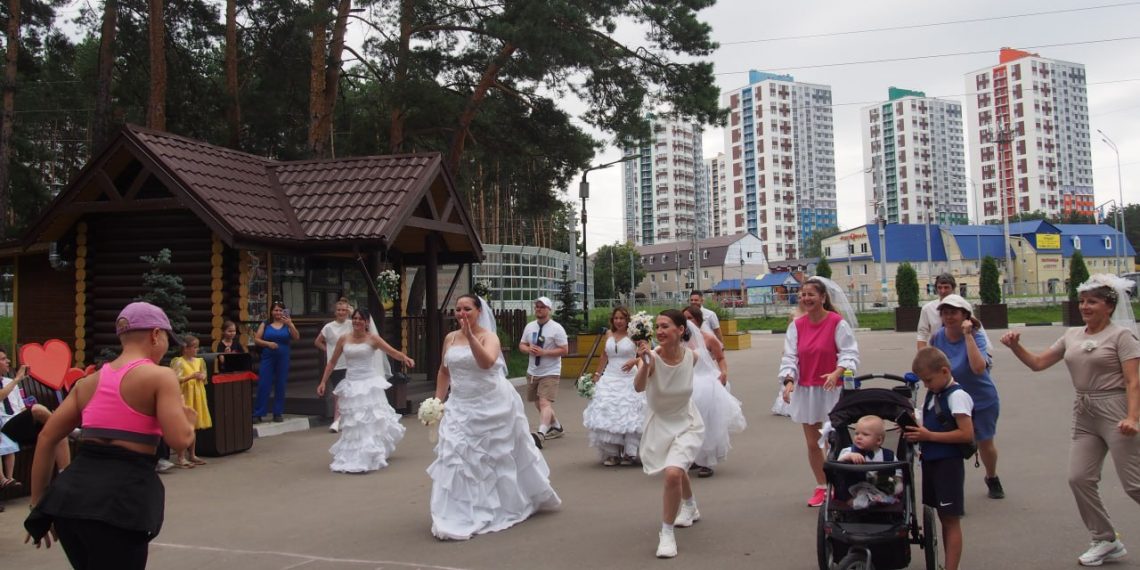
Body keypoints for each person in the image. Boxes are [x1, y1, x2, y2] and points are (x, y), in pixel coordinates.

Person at [24, 301, 197, 569]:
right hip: (120, 502)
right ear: (155, 335)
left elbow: (47, 436)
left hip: (70, 501)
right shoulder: (160, 376)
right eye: (165, 338)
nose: (165, 346)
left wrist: (38, 501)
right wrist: (189, 423)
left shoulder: (88, 383)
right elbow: (179, 440)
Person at [1000, 274, 1140, 567]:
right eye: (1082, 301)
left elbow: (1133, 380)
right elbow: (1039, 363)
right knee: (1079, 478)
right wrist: (1016, 347)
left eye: (1093, 301)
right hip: (1084, 412)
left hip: (1115, 411)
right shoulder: (1072, 335)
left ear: (1110, 306)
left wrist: (1132, 417)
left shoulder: (1121, 336)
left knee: (1134, 485)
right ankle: (1105, 539)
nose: (1085, 306)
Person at [428, 294, 560, 540]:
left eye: (467, 308)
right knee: (456, 455)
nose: (462, 313)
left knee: (491, 457)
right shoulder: (449, 338)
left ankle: (501, 503)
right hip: (459, 405)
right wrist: (437, 401)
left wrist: (470, 337)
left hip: (489, 403)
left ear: (478, 311)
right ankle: (456, 509)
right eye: (458, 309)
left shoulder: (489, 337)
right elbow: (444, 371)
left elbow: (487, 362)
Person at [778, 276, 860, 507]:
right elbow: (790, 356)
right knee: (813, 444)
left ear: (823, 297)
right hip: (807, 390)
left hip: (832, 390)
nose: (806, 298)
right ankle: (822, 486)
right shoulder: (797, 326)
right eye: (803, 295)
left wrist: (837, 372)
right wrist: (789, 381)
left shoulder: (836, 322)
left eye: (811, 294)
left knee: (836, 441)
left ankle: (843, 484)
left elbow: (849, 352)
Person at [633, 309, 705, 558]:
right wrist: (645, 364)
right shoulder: (651, 357)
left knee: (673, 472)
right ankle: (691, 506)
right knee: (677, 468)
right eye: (658, 327)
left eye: (666, 326)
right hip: (660, 423)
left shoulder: (692, 357)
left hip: (687, 422)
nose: (660, 331)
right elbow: (639, 387)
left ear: (681, 330)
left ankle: (666, 533)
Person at [904, 347, 975, 570]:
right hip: (932, 461)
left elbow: (966, 433)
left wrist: (928, 435)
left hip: (948, 464)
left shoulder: (957, 396)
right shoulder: (936, 393)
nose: (927, 385)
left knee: (951, 519)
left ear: (945, 371)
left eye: (929, 380)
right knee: (943, 517)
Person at [317, 308, 412, 473]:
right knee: (354, 421)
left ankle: (370, 453)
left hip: (369, 383)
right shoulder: (344, 339)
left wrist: (405, 358)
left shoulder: (373, 339)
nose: (357, 322)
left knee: (369, 420)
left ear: (367, 322)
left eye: (361, 319)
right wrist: (323, 382)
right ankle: (355, 453)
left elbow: (392, 352)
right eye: (355, 319)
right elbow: (332, 362)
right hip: (352, 383)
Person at [929, 294, 1004, 499]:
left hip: (981, 398)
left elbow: (979, 368)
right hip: (951, 399)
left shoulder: (977, 336)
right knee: (953, 445)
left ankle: (992, 476)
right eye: (945, 313)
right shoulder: (937, 337)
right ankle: (951, 488)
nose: (948, 317)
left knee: (985, 442)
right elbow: (932, 365)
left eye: (953, 312)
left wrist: (968, 335)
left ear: (965, 315)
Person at [681, 305, 745, 478]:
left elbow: (721, 358)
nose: (687, 321)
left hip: (706, 383)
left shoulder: (708, 339)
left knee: (707, 422)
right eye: (684, 318)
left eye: (690, 318)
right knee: (688, 423)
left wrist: (724, 372)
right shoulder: (680, 340)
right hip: (686, 383)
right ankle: (693, 456)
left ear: (698, 320)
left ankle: (707, 461)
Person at [582, 307, 645, 466]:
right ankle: (612, 453)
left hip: (629, 379)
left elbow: (647, 353)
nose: (618, 321)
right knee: (609, 412)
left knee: (628, 414)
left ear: (627, 320)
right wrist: (597, 375)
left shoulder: (635, 335)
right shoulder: (609, 334)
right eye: (616, 318)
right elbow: (604, 355)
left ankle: (629, 453)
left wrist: (635, 361)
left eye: (622, 318)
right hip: (609, 377)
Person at [0, 348, 71, 481]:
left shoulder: (9, 382)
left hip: (18, 425)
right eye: (3, 359)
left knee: (57, 431)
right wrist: (17, 379)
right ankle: (61, 423)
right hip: (5, 427)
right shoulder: (13, 382)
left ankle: (65, 477)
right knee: (37, 409)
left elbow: (20, 408)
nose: (8, 361)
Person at [519, 296, 569, 445]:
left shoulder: (556, 328)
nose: (538, 309)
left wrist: (545, 353)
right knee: (537, 402)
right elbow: (521, 345)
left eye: (542, 307)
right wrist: (528, 349)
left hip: (550, 371)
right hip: (533, 371)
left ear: (549, 309)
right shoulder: (530, 326)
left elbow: (564, 350)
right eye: (537, 307)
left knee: (544, 402)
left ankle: (541, 433)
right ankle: (557, 427)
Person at [836, 415, 904, 507]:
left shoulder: (889, 455)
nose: (859, 437)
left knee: (898, 486)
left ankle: (879, 501)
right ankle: (858, 503)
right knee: (847, 492)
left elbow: (898, 473)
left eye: (865, 434)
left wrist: (896, 482)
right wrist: (849, 457)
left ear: (879, 440)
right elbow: (837, 465)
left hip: (880, 488)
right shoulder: (848, 451)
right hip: (854, 489)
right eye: (856, 433)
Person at [917, 273, 992, 351]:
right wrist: (922, 356)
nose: (942, 291)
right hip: (938, 351)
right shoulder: (927, 309)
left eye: (946, 287)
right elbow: (922, 333)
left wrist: (984, 350)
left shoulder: (964, 306)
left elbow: (974, 328)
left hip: (960, 350)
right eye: (939, 288)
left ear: (953, 288)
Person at [252, 300, 300, 423]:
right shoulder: (266, 324)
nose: (278, 312)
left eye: (280, 310)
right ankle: (258, 413)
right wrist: (268, 344)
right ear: (271, 312)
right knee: (264, 383)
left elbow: (296, 337)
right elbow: (256, 339)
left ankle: (278, 413)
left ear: (284, 311)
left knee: (280, 384)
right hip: (268, 356)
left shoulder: (287, 324)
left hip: (283, 357)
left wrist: (290, 324)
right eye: (275, 310)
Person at [169, 335, 212, 468]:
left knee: (193, 425)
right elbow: (174, 379)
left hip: (197, 395)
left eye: (196, 347)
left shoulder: (199, 361)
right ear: (185, 349)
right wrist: (190, 377)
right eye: (194, 347)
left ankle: (192, 454)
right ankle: (180, 456)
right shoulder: (179, 361)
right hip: (185, 395)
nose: (196, 350)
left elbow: (205, 377)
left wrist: (202, 376)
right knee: (184, 425)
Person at [315, 299, 353, 433]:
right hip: (335, 364)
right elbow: (318, 341)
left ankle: (345, 419)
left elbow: (365, 329)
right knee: (338, 393)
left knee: (350, 392)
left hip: (350, 363)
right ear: (335, 312)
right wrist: (328, 350)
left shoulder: (352, 324)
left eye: (344, 310)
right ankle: (337, 419)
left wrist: (353, 313)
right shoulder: (329, 327)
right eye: (339, 310)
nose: (341, 312)